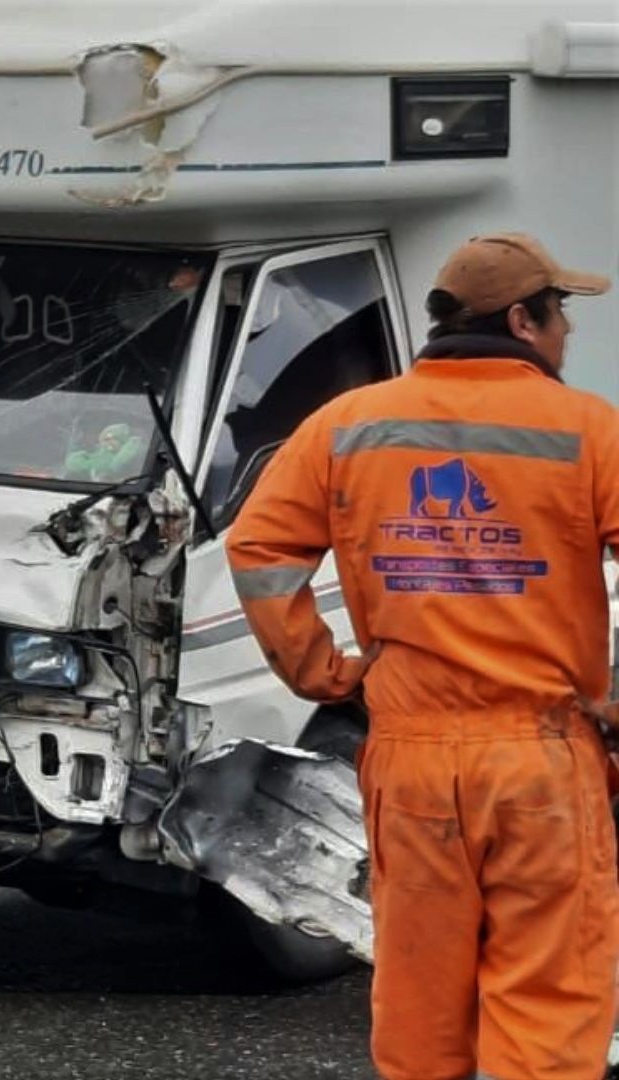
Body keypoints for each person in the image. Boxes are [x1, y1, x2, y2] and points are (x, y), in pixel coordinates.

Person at [224, 233, 618, 1080]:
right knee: (546, 1002)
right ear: (522, 320)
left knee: (420, 997)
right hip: (538, 758)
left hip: (409, 761)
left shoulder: (347, 424)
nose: (565, 338)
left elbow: (259, 549)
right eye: (560, 318)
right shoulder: (590, 430)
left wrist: (324, 675)